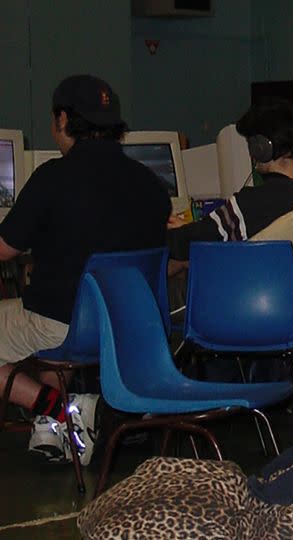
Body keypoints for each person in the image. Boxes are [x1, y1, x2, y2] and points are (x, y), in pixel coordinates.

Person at [0, 74, 171, 465]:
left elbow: (5, 248)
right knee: (56, 301)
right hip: (130, 328)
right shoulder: (150, 184)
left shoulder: (53, 177)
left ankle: (60, 408)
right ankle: (60, 421)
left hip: (65, 325)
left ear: (62, 119)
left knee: (45, 308)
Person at [167, 97, 293, 268]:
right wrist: (195, 228)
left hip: (247, 293)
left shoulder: (252, 201)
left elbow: (184, 244)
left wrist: (177, 230)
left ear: (260, 148)